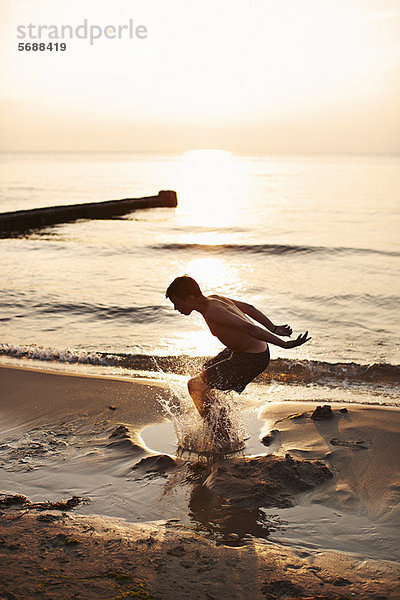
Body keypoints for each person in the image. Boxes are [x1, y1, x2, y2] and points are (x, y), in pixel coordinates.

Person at [165, 275, 310, 426]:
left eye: (177, 303)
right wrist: (273, 327)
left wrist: (284, 344)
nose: (176, 308)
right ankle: (221, 417)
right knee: (199, 372)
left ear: (189, 299)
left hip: (252, 359)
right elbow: (249, 309)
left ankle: (219, 434)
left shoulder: (213, 312)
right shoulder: (214, 298)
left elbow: (249, 328)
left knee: (194, 385)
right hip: (242, 351)